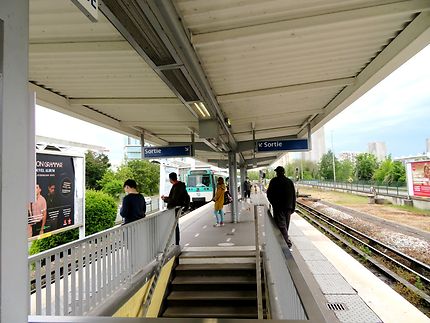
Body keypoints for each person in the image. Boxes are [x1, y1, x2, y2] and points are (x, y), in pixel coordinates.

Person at [266, 166, 296, 249]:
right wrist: (293, 207)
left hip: (278, 207)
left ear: (277, 172)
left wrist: (273, 202)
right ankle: (284, 242)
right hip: (288, 207)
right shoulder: (289, 181)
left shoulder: (274, 181)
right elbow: (294, 195)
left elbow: (269, 193)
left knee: (281, 225)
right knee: (286, 225)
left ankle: (286, 242)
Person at [161, 172, 190, 245]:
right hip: (178, 208)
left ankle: (176, 242)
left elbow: (174, 200)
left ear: (170, 179)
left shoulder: (176, 187)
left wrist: (165, 199)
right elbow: (187, 197)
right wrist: (186, 207)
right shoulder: (181, 186)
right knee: (175, 225)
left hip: (174, 209)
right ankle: (176, 242)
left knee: (174, 226)